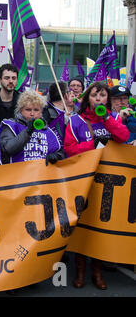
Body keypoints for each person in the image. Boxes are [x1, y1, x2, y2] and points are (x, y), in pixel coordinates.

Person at [64, 81, 130, 290]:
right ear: (87, 99)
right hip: (84, 182)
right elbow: (69, 149)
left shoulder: (113, 119)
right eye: (94, 95)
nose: (99, 99)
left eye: (102, 96)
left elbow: (124, 137)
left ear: (107, 100)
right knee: (83, 228)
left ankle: (97, 271)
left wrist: (107, 119)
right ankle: (81, 271)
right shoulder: (75, 121)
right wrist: (91, 145)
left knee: (102, 228)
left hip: (108, 183)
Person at [0, 90, 64, 164]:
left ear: (41, 111)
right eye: (28, 110)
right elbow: (7, 149)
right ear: (21, 110)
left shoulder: (47, 130)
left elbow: (60, 151)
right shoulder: (11, 126)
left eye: (36, 110)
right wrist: (27, 132)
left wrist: (56, 156)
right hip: (18, 173)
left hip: (42, 173)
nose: (32, 113)